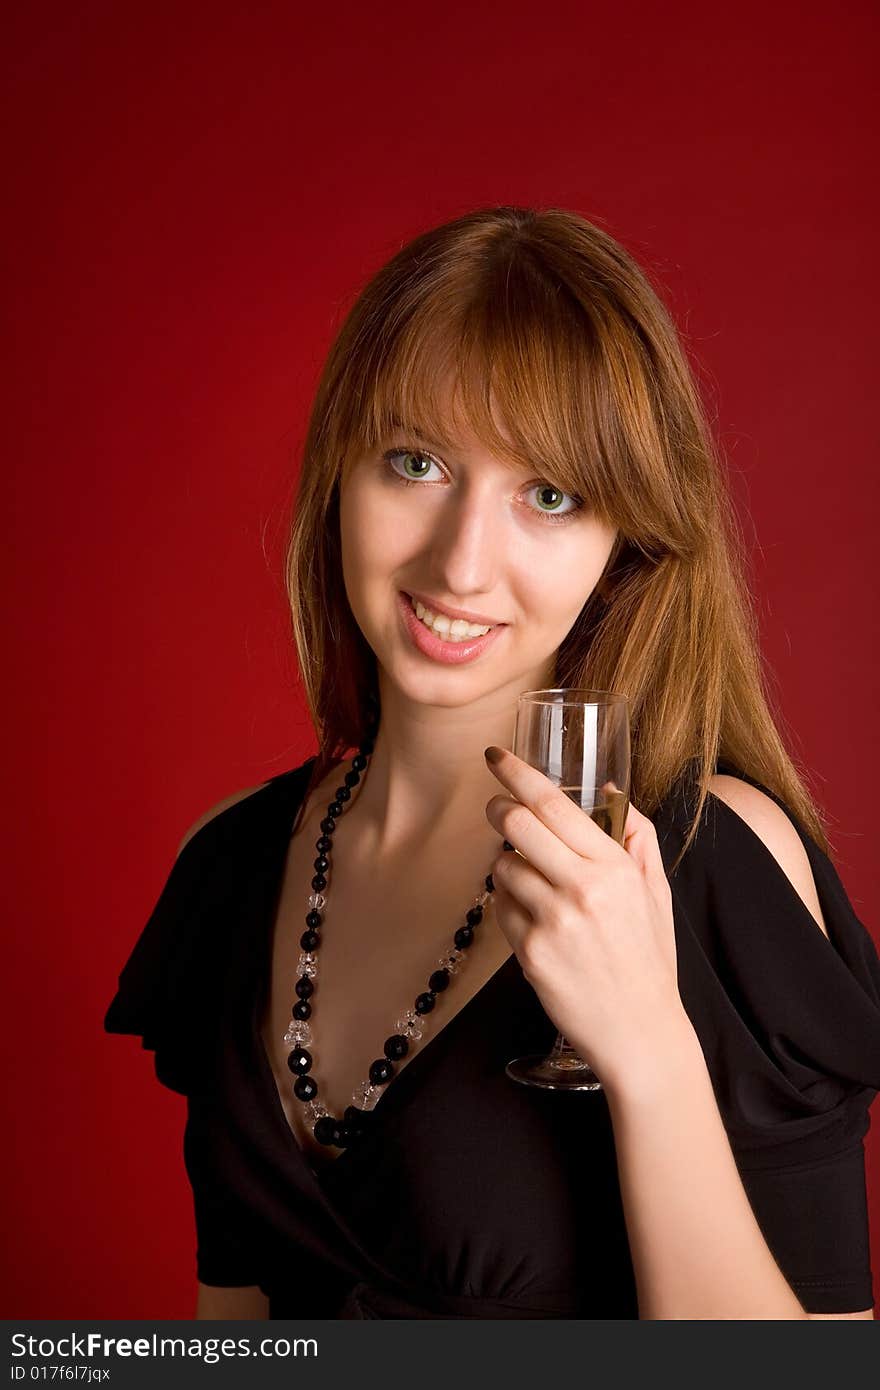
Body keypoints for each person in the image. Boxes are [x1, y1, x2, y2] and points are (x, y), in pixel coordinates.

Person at [104, 205, 880, 1320]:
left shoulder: (713, 864)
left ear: (625, 543)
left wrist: (646, 1048)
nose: (462, 562)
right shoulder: (228, 870)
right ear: (339, 474)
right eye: (415, 462)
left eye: (548, 495)